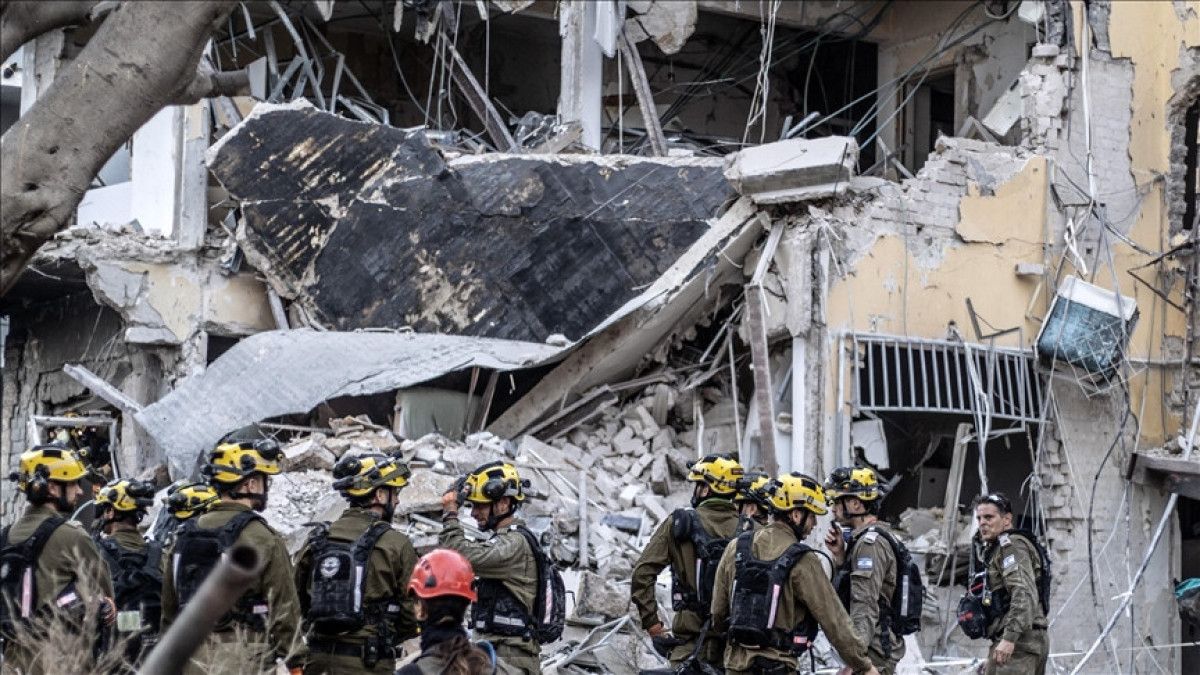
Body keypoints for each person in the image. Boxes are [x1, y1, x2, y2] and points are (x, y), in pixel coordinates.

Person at [710, 472, 879, 675]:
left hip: (735, 667)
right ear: (796, 515)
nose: (814, 524)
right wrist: (863, 665)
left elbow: (718, 614)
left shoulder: (736, 547)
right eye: (812, 516)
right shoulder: (803, 560)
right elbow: (834, 621)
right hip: (778, 667)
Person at [160, 439, 305, 674]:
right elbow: (284, 610)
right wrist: (295, 661)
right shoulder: (263, 537)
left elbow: (169, 611)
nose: (266, 488)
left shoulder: (182, 537)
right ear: (250, 484)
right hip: (244, 660)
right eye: (264, 480)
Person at [295, 453, 420, 674]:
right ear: (380, 495)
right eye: (394, 493)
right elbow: (410, 613)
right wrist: (385, 637)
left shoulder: (316, 539)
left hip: (317, 658)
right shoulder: (397, 544)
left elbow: (296, 601)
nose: (397, 501)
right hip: (369, 662)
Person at [0, 446, 115, 674]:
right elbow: (106, 600)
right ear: (52, 488)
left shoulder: (4, 537)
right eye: (73, 484)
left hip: (12, 663)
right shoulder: (72, 536)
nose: (79, 492)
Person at [630, 454, 744, 671]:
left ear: (706, 489)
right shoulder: (754, 532)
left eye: (698, 485)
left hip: (688, 650)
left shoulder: (680, 524)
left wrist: (653, 625)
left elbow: (642, 573)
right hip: (736, 656)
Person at [438, 461, 542, 674]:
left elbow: (459, 557)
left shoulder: (514, 544)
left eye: (480, 506)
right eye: (473, 506)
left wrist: (451, 514)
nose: (474, 513)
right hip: (497, 653)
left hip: (511, 659)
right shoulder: (503, 541)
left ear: (503, 503)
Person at [824, 467, 906, 674]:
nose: (833, 508)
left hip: (873, 652)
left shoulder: (870, 544)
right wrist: (841, 557)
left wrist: (857, 660)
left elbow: (865, 602)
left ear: (856, 503)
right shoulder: (867, 539)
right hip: (872, 648)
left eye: (838, 501)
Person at [970, 493, 1049, 675]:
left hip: (1020, 642)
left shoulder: (1011, 546)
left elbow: (1023, 592)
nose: (982, 523)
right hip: (1022, 642)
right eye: (979, 518)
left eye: (989, 517)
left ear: (1006, 520)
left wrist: (1009, 639)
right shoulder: (1001, 548)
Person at [93, 478, 162, 663]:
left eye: (103, 509)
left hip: (114, 659)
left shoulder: (95, 553)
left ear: (110, 512)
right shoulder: (161, 553)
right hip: (158, 656)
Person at [396, 549, 498, 675]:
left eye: (416, 601)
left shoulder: (410, 672)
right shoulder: (491, 666)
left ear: (420, 609)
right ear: (466, 603)